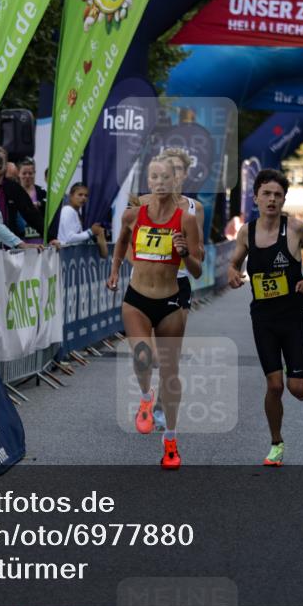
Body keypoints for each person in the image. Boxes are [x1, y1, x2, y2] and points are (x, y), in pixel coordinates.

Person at [107, 155, 203, 470]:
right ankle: (146, 398)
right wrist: (115, 270)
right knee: (142, 356)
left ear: (177, 180)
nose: (161, 182)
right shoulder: (133, 214)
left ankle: (171, 441)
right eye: (156, 177)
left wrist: (185, 253)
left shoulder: (188, 217)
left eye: (167, 177)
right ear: (149, 181)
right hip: (137, 296)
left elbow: (197, 269)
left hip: (171, 298)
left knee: (171, 372)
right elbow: (121, 243)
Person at [227, 169, 303, 467]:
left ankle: (292, 369)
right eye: (266, 194)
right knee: (274, 387)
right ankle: (276, 443)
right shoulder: (247, 231)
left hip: (292, 317)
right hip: (263, 319)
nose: (271, 199)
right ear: (255, 197)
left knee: (298, 391)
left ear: (283, 200)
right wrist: (232, 273)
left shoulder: (294, 228)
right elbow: (234, 261)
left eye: (277, 195)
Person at [137, 147, 205, 431]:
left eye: (178, 170)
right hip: (146, 282)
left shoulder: (194, 208)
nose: (173, 175)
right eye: (169, 169)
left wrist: (185, 250)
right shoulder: (142, 203)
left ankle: (163, 406)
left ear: (185, 174)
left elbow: (197, 251)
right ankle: (147, 396)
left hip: (178, 284)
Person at [57, 182, 107, 255]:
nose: (83, 198)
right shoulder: (68, 210)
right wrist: (91, 232)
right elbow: (69, 238)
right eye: (80, 195)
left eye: (86, 195)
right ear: (71, 196)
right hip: (65, 256)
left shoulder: (75, 212)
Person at [16, 157, 47, 240]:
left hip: (39, 238)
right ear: (18, 173)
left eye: (30, 173)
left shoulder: (42, 192)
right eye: (24, 173)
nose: (27, 176)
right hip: (20, 239)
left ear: (35, 173)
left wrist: (40, 205)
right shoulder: (14, 192)